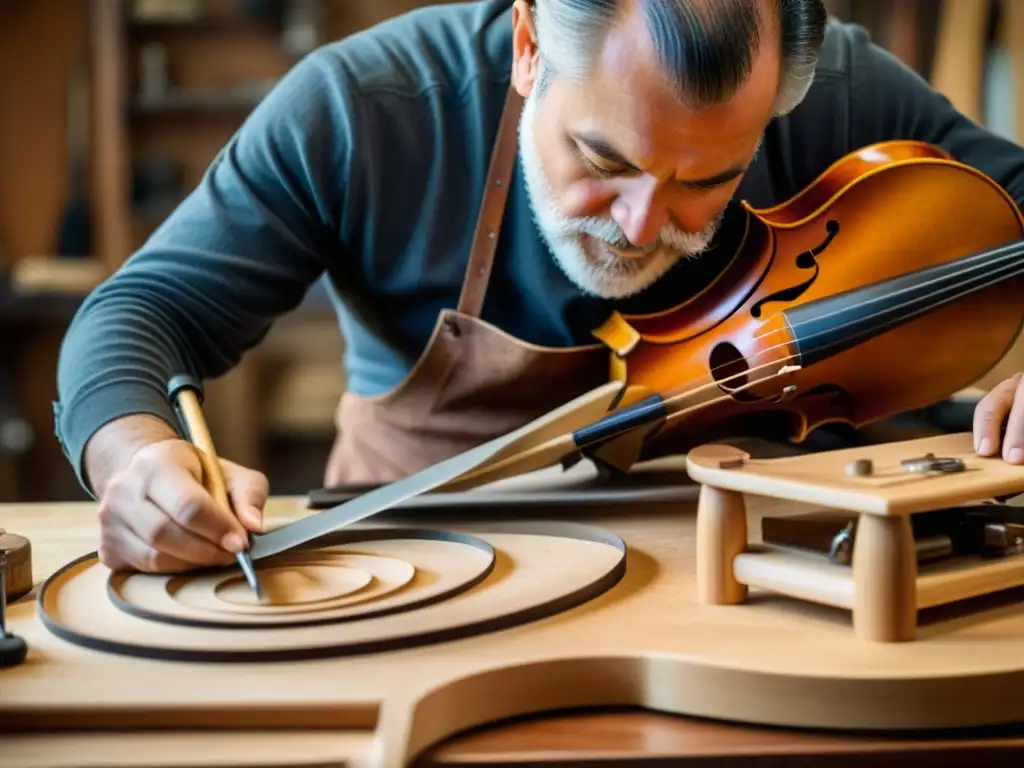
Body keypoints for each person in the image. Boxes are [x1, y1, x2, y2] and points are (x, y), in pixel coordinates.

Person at [55, 0, 1024, 574]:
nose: (645, 225)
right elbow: (141, 313)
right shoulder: (363, 110)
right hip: (429, 571)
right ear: (528, 41)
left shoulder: (836, 89)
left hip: (760, 575)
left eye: (708, 180)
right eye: (601, 157)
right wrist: (136, 455)